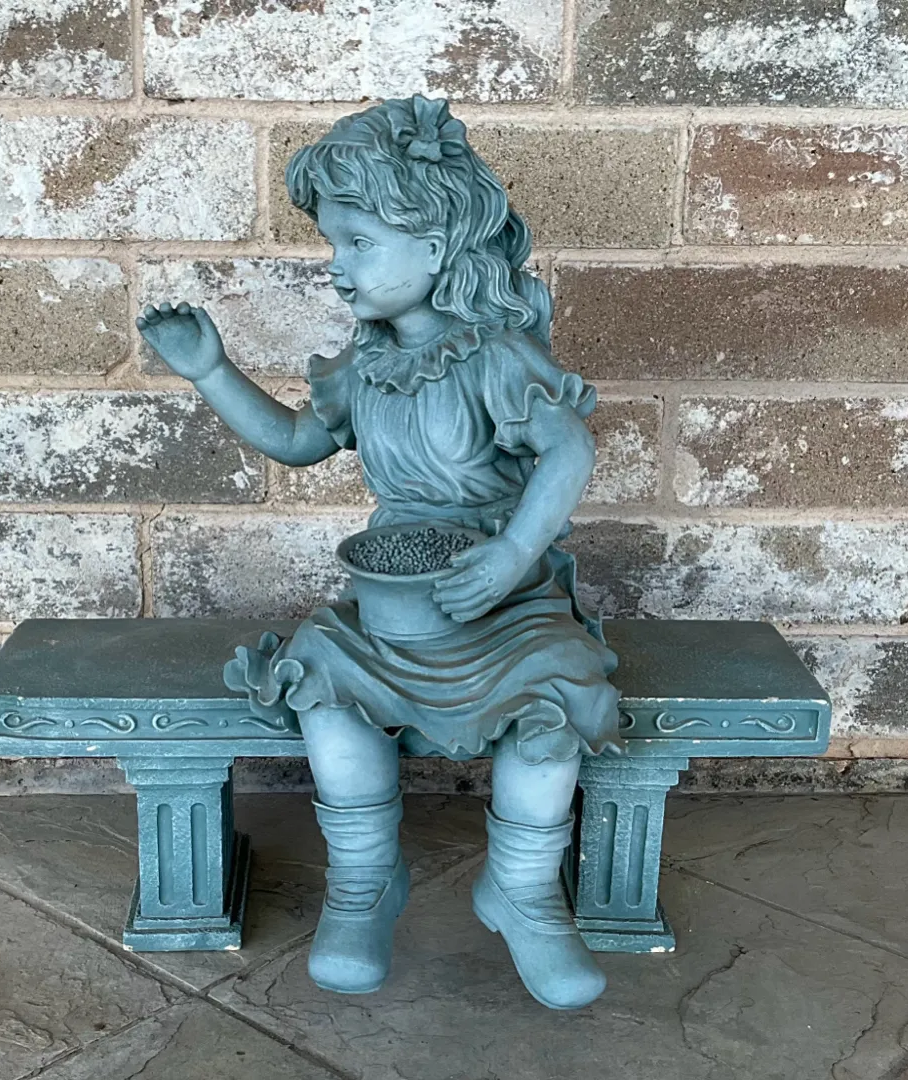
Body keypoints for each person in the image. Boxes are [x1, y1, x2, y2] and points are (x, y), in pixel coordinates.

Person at [137, 94, 621, 1010]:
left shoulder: (496, 357)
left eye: (359, 243)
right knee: (325, 698)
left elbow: (568, 450)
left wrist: (513, 553)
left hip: (503, 603)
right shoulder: (364, 367)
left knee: (552, 713)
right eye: (334, 244)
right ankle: (364, 882)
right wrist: (210, 371)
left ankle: (520, 892)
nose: (337, 267)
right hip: (389, 608)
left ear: (434, 248)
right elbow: (294, 441)